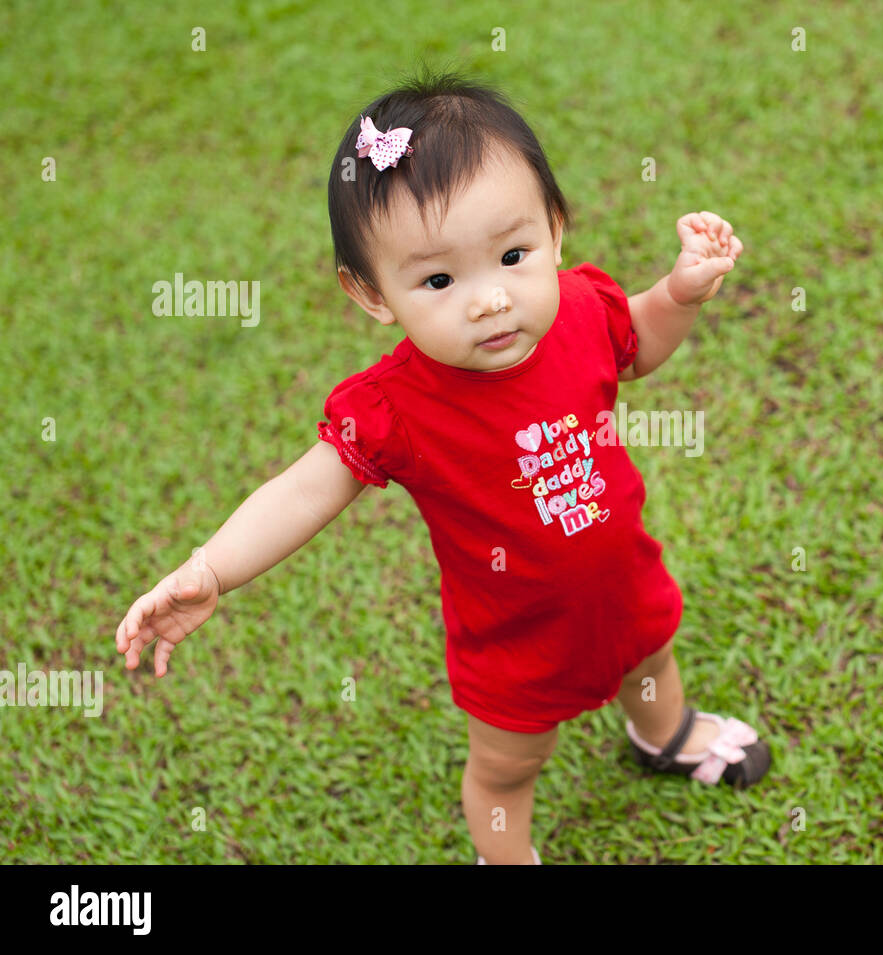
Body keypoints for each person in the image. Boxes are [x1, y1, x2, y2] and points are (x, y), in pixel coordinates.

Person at [114, 67, 770, 865]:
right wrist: (211, 566)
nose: (489, 299)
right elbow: (306, 488)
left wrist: (677, 294)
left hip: (621, 576)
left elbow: (635, 343)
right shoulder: (396, 403)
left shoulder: (581, 310)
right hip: (514, 635)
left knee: (651, 659)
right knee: (507, 767)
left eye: (513, 254)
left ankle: (663, 734)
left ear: (555, 230)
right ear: (371, 294)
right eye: (437, 279)